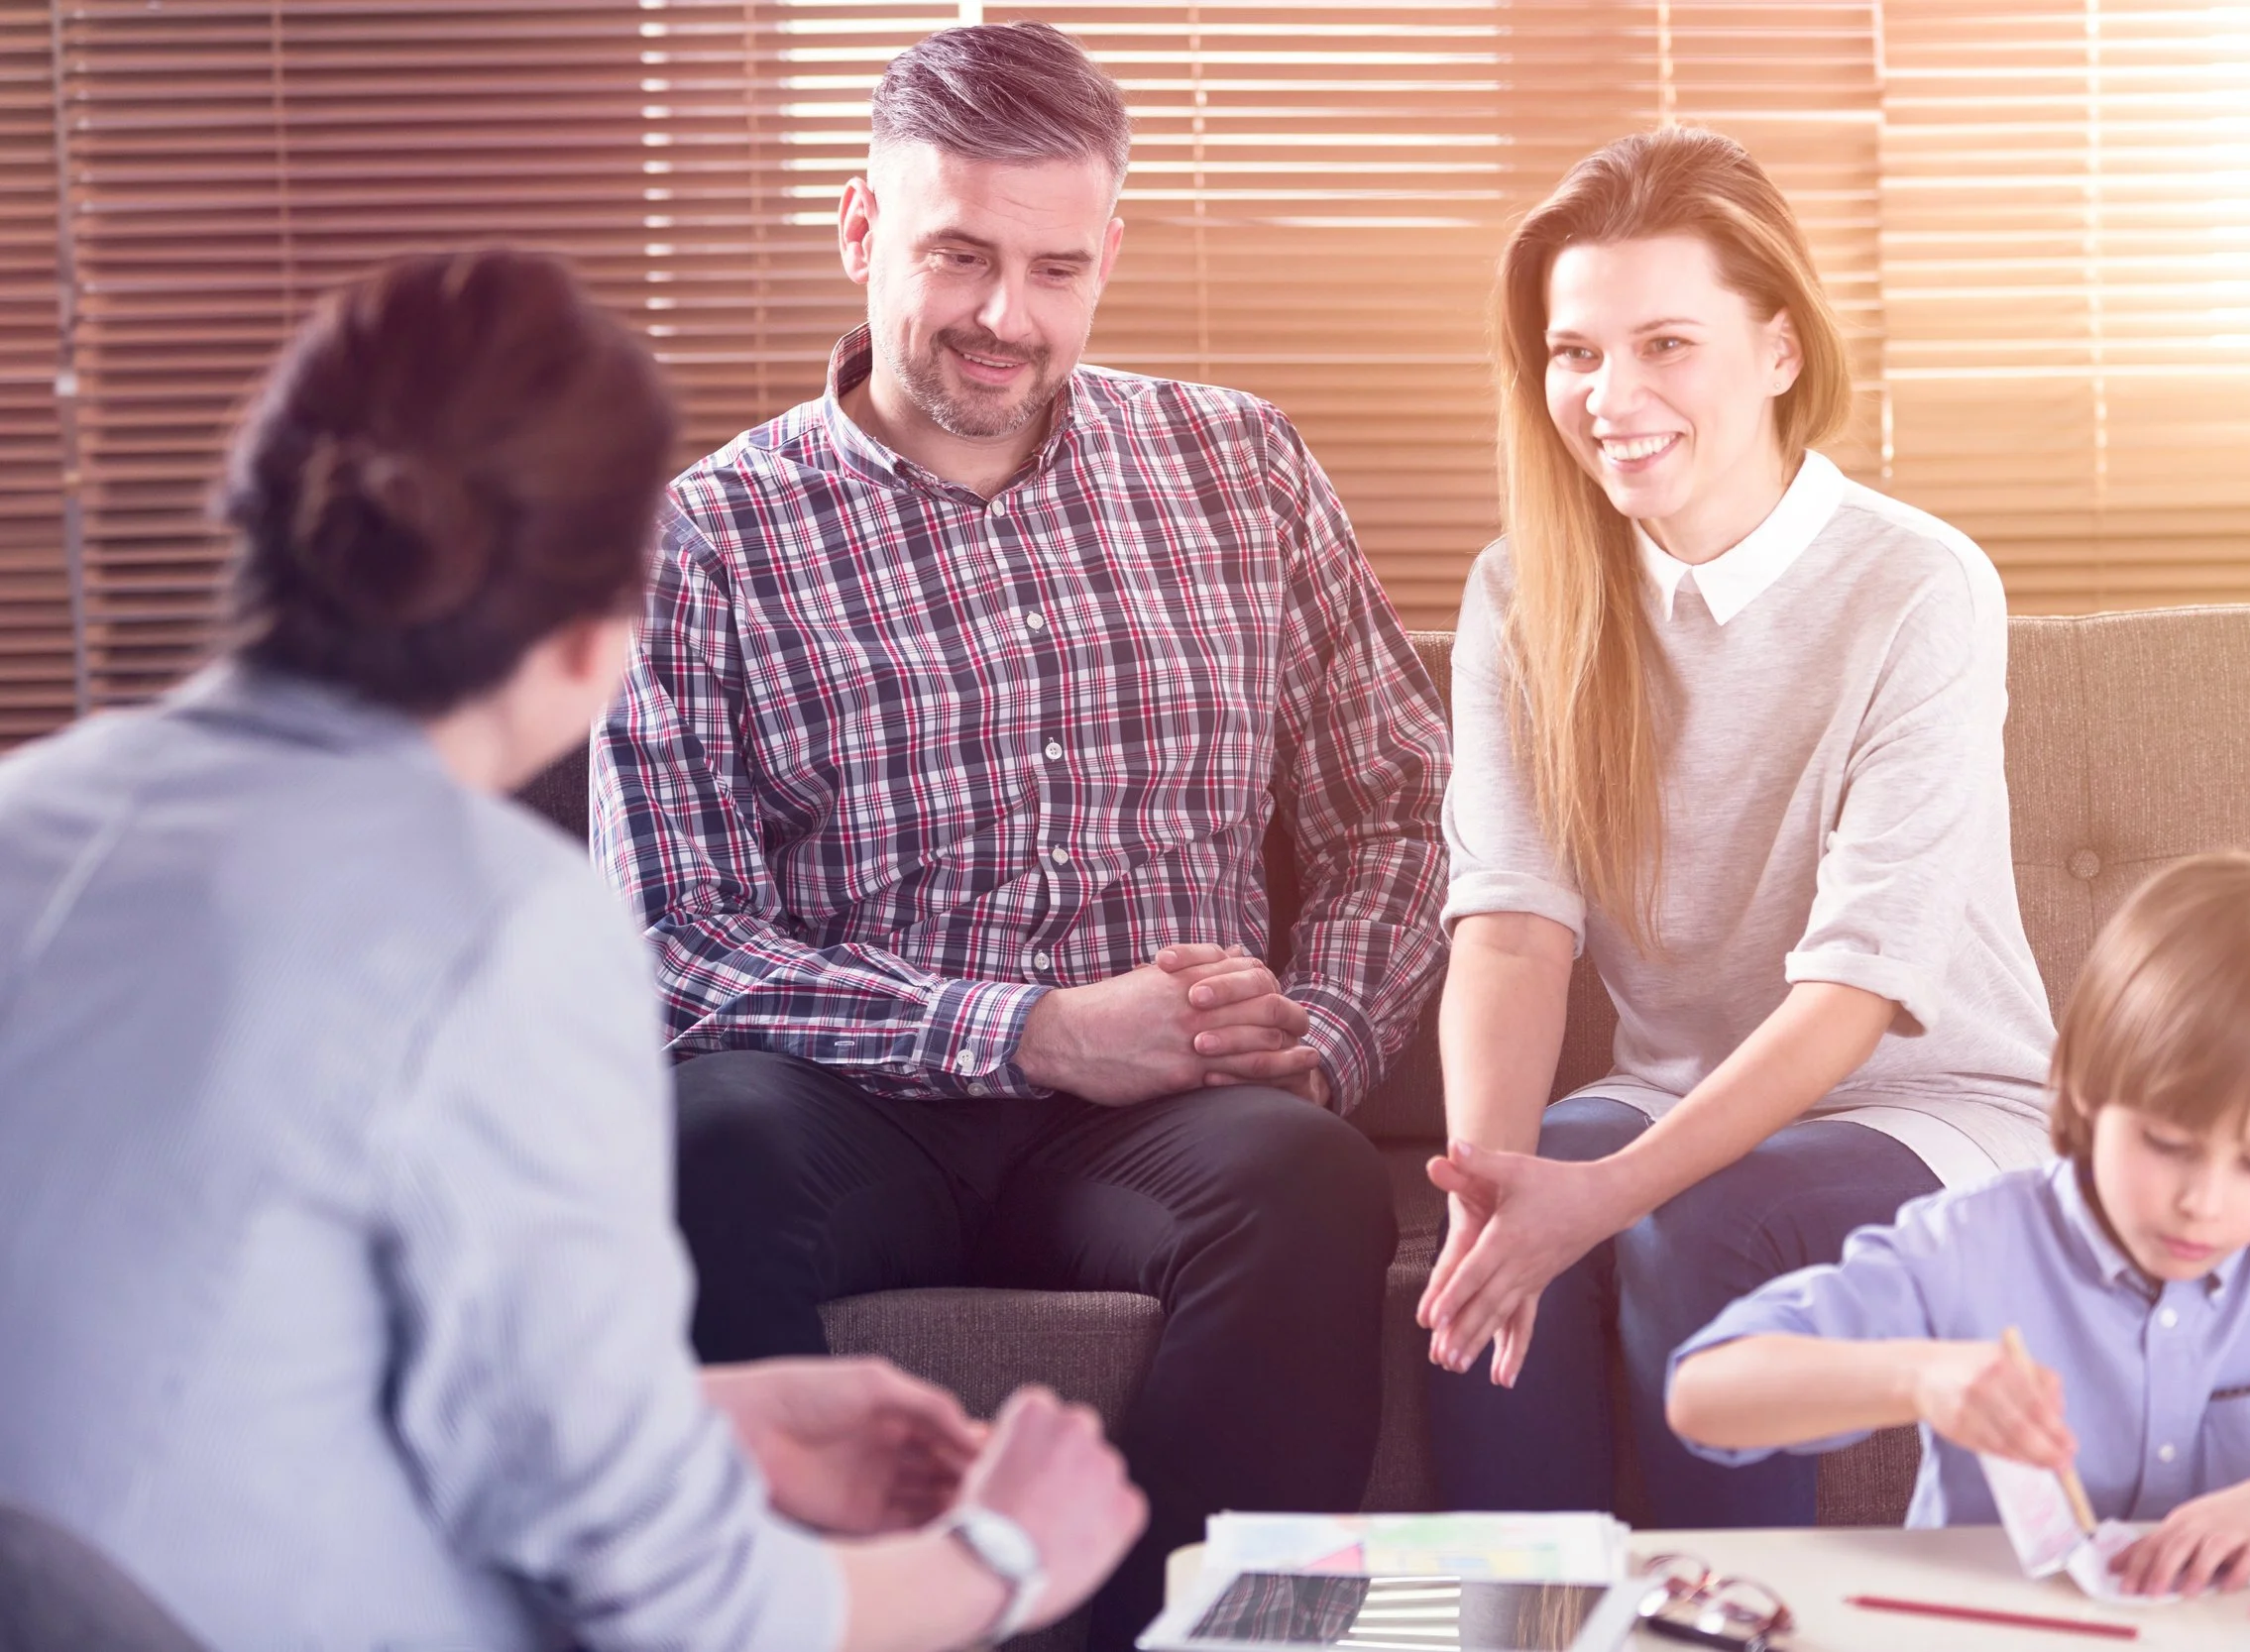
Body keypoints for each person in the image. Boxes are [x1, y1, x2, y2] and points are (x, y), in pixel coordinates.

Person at [0, 250, 1144, 1652]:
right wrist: (1006, 1552)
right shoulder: (505, 928)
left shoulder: (30, 815)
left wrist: (697, 1422)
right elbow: (687, 1609)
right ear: (611, 625)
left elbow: (228, 1355)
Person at [590, 21, 1449, 1646]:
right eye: (958, 254)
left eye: (1056, 267)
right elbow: (673, 948)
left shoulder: (1239, 469)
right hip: (852, 1102)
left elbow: (1401, 798)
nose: (1005, 315)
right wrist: (1038, 1032)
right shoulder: (703, 540)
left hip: (1169, 1121)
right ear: (860, 229)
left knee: (1311, 1180)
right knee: (701, 1139)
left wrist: (1320, 1035)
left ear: (1109, 253)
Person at [1415, 127, 2058, 1526]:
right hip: (1678, 1088)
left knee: (1695, 1222)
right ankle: (1527, 1627)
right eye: (1574, 350)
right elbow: (1515, 927)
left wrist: (1597, 1196)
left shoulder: (1918, 583)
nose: (1609, 393)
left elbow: (1860, 982)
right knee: (1485, 1257)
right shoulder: (1524, 592)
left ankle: (1734, 1626)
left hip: (1938, 1105)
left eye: (1664, 343)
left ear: (1776, 348)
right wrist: (1493, 1183)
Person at [1667, 853, 2250, 1597]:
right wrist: (1916, 1375)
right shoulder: (1973, 1243)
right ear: (2080, 1086)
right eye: (2166, 1144)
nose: (2205, 1200)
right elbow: (1703, 1393)